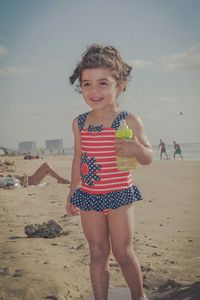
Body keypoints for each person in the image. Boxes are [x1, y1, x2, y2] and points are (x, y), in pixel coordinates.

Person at [66, 44, 153, 300]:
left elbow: (148, 156)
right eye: (86, 84)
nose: (94, 91)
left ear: (120, 85)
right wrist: (73, 191)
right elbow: (79, 157)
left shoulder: (129, 120)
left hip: (119, 196)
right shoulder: (80, 122)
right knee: (97, 252)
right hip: (90, 196)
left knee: (124, 253)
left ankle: (139, 296)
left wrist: (137, 149)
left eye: (102, 83)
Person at [0, 160, 70, 188]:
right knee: (47, 167)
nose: (2, 168)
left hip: (29, 179)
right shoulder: (3, 180)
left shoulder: (3, 177)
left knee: (46, 164)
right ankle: (61, 179)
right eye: (0, 166)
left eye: (2, 166)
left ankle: (60, 179)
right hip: (29, 182)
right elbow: (13, 185)